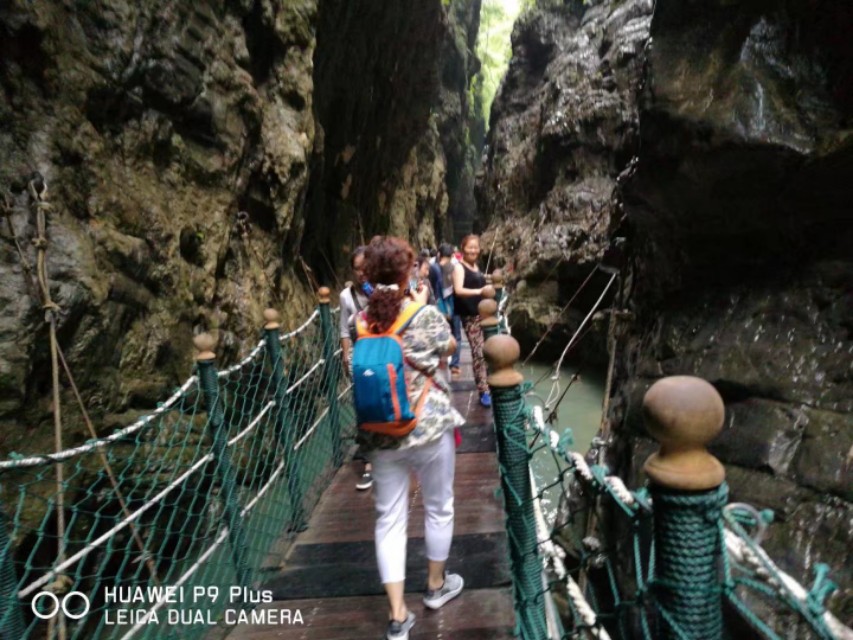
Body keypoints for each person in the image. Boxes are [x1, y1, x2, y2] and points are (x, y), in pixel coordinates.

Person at [356, 236, 465, 640]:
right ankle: (435, 587)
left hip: (382, 432)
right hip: (428, 425)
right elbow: (450, 347)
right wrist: (422, 304)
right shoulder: (424, 314)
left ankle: (398, 616)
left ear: (369, 275)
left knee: (389, 519)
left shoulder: (361, 321)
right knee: (438, 506)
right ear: (407, 272)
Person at [339, 246, 373, 490]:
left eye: (366, 268)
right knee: (365, 409)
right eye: (357, 269)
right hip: (361, 358)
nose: (362, 273)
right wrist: (346, 357)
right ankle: (370, 464)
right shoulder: (345, 297)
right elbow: (343, 330)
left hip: (385, 355)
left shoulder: (384, 290)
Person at [452, 234, 490, 407]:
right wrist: (479, 291)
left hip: (482, 314)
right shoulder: (459, 268)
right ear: (463, 249)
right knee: (479, 352)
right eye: (470, 247)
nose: (473, 250)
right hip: (470, 316)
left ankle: (487, 384)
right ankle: (483, 390)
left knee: (485, 350)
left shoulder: (475, 266)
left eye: (476, 247)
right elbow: (458, 290)